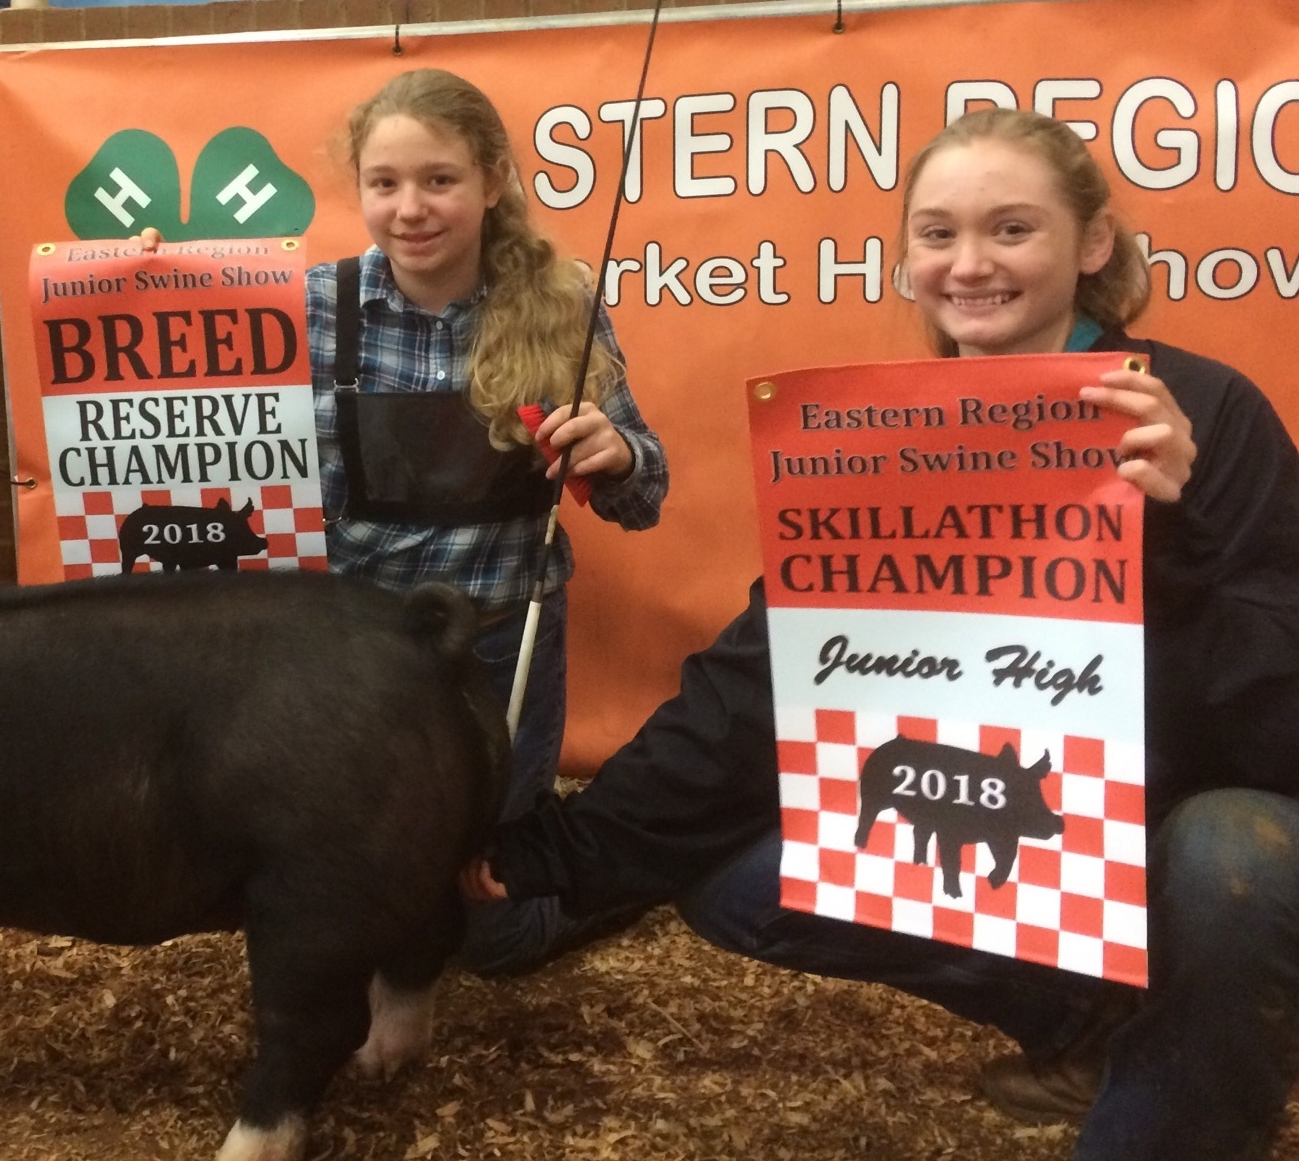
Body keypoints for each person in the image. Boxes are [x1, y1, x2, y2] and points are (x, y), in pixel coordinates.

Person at [464, 107, 1299, 1160]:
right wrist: (567, 854)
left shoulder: (1206, 412)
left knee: (1239, 853)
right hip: (1002, 802)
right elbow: (761, 680)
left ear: (1091, 246)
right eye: (937, 234)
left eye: (1010, 229)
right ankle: (1090, 1020)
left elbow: (1278, 724)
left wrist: (1167, 547)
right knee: (733, 875)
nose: (968, 265)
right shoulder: (891, 436)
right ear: (905, 257)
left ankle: (1193, 1077)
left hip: (1174, 808)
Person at [133, 69, 668, 975]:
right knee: (349, 863)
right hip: (350, 653)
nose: (410, 208)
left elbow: (643, 498)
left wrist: (615, 452)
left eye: (438, 180)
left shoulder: (559, 307)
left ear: (492, 179)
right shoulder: (308, 305)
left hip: (500, 641)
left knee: (489, 924)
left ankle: (621, 882)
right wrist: (137, 282)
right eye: (385, 184)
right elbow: (192, 403)